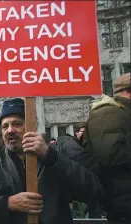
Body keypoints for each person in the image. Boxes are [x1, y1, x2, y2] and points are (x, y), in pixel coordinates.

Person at [0, 98, 103, 224]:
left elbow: (92, 190)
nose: (10, 130)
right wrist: (7, 203)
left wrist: (50, 156)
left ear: (33, 125)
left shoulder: (57, 151)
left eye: (17, 124)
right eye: (5, 126)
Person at [82, 73, 131, 223]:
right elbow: (110, 155)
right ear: (128, 91)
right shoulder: (108, 112)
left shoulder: (121, 113)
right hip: (121, 201)